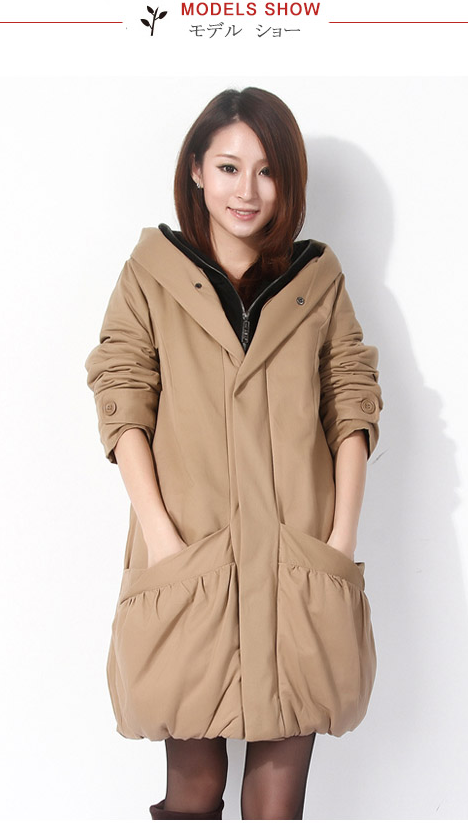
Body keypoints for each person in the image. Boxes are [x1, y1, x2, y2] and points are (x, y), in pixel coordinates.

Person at [84, 87, 383, 820]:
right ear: (195, 170)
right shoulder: (151, 274)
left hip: (296, 560)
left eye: (267, 171)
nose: (247, 191)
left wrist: (339, 540)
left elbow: (351, 401)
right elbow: (122, 398)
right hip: (189, 555)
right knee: (192, 791)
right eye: (228, 167)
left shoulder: (317, 281)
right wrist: (163, 540)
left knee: (278, 805)